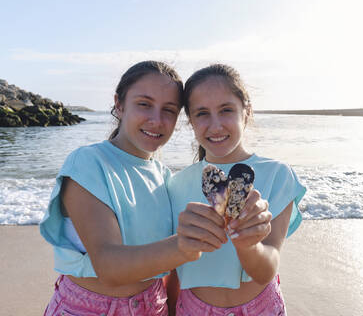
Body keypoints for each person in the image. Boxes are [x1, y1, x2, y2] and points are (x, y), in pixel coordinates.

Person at [39, 60, 269, 316]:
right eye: (144, 104)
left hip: (155, 306)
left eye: (169, 110)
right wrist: (183, 245)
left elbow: (169, 270)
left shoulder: (164, 177)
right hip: (88, 308)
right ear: (119, 103)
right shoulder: (88, 163)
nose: (156, 120)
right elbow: (108, 266)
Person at [169, 64, 307, 315]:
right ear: (190, 120)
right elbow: (172, 273)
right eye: (202, 113)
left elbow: (266, 270)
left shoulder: (278, 175)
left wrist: (248, 245)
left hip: (261, 307)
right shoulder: (175, 185)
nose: (216, 125)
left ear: (247, 111)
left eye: (226, 110)